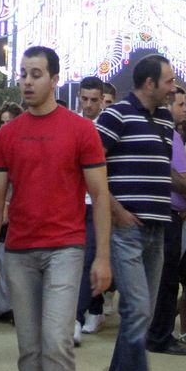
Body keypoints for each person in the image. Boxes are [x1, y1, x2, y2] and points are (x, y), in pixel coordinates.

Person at [0, 45, 111, 371]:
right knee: (28, 347)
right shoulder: (7, 135)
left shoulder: (80, 130)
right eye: (23, 74)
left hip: (65, 249)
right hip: (18, 250)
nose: (27, 81)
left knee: (55, 342)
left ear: (55, 79)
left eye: (36, 74)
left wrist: (102, 256)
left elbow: (102, 197)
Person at [94, 56, 186, 371]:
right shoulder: (115, 116)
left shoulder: (166, 120)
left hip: (157, 228)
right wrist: (115, 210)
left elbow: (162, 167)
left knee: (142, 314)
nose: (174, 87)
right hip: (126, 230)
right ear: (149, 84)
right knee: (136, 311)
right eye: (168, 81)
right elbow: (91, 166)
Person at [146, 119, 186, 357]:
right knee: (165, 277)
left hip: (175, 213)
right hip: (166, 214)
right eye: (180, 104)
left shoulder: (170, 134)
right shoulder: (161, 134)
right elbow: (164, 172)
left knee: (166, 276)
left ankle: (159, 331)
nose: (184, 110)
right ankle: (159, 334)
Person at [73, 76, 108, 339]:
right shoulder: (73, 125)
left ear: (102, 100)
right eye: (84, 99)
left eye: (93, 100)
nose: (88, 105)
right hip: (74, 202)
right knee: (80, 260)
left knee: (89, 259)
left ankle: (77, 316)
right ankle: (93, 308)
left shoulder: (109, 127)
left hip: (97, 202)